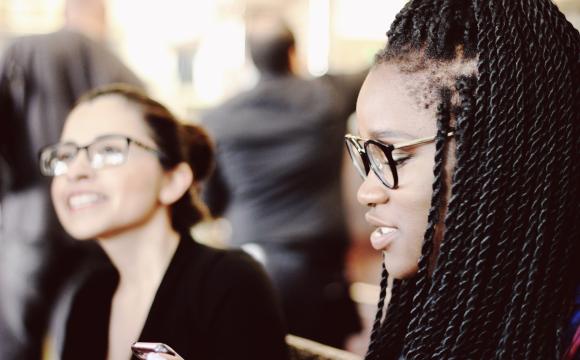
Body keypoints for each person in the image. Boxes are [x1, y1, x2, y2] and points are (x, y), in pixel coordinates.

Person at [344, 0, 579, 359]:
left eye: (395, 154)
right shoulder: (451, 310)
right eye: (366, 154)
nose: (367, 192)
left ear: (499, 155)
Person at [39, 84, 289, 360]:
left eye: (108, 150)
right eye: (65, 155)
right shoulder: (90, 295)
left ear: (173, 180)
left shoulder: (230, 283)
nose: (75, 171)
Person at [201, 15, 364, 348]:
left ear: (251, 59)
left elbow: (210, 200)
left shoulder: (220, 119)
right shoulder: (326, 98)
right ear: (293, 53)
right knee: (322, 350)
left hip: (249, 263)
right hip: (318, 267)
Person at [0, 9, 143, 359]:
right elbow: (146, 118)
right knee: (79, 333)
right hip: (94, 223)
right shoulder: (105, 57)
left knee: (14, 342)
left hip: (27, 222)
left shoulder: (18, 51)